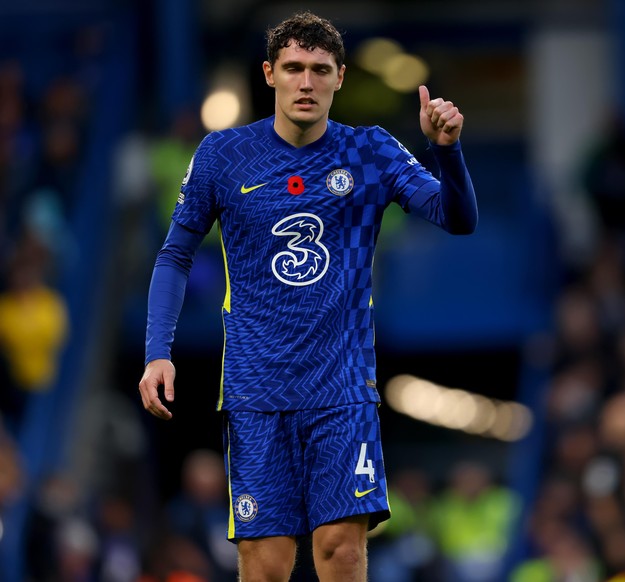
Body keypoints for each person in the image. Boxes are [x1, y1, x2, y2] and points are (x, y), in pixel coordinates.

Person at [137, 10, 478, 582]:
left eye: (320, 69)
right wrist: (156, 350)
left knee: (341, 551)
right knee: (266, 564)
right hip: (256, 391)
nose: (306, 82)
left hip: (343, 389)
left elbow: (457, 218)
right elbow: (174, 255)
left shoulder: (371, 151)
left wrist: (446, 150)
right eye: (293, 68)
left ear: (340, 78)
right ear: (269, 73)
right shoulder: (223, 155)